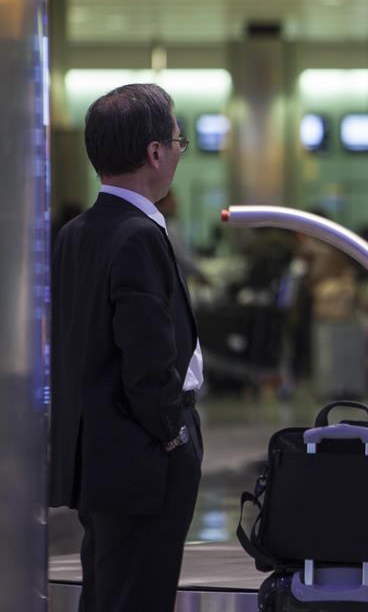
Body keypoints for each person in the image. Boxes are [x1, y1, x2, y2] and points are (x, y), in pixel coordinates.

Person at [49, 83, 203, 612]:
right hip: (143, 457)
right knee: (140, 593)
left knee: (109, 589)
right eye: (179, 142)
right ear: (155, 152)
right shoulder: (138, 234)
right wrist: (171, 431)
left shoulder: (76, 232)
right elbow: (147, 356)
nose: (179, 153)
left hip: (98, 455)